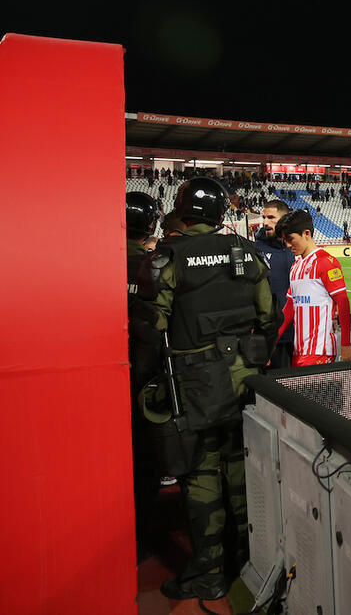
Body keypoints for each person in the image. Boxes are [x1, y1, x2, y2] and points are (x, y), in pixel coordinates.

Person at [144, 177, 276, 600]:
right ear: (221, 212)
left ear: (183, 211)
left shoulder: (168, 258)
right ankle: (249, 562)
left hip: (195, 385)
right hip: (245, 380)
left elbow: (151, 328)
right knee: (242, 468)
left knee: (201, 475)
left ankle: (209, 572)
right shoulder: (246, 251)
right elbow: (269, 318)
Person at [125, 191, 164, 558]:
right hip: (145, 376)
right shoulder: (153, 267)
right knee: (145, 460)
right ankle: (141, 539)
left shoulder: (95, 260)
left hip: (102, 379)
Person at [274, 210, 351, 366]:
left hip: (320, 351)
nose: (288, 245)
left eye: (290, 239)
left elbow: (343, 302)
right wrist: (273, 340)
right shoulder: (295, 266)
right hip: (299, 350)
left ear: (306, 234)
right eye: (285, 240)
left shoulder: (325, 262)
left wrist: (345, 343)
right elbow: (290, 308)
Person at [254, 199, 295, 368]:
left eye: (271, 218)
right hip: (270, 337)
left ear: (284, 221)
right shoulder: (256, 250)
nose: (265, 222)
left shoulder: (298, 248)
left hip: (299, 335)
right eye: (264, 217)